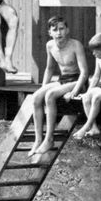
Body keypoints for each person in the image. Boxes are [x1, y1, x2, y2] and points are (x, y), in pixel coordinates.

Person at [27, 16, 88, 157]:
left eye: (62, 29)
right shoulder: (50, 45)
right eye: (55, 30)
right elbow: (49, 68)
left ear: (67, 30)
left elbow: (84, 72)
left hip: (77, 80)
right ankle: (38, 139)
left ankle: (49, 139)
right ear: (50, 32)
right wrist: (43, 87)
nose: (59, 33)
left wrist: (75, 90)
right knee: (36, 97)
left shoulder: (75, 45)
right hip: (62, 80)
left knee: (50, 95)